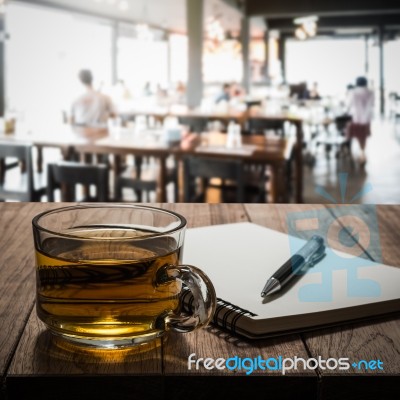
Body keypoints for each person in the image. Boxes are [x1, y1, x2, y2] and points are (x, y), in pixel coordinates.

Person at [347, 76, 375, 165]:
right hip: (366, 118)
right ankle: (363, 153)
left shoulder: (353, 92)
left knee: (358, 136)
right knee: (364, 137)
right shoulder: (370, 92)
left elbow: (349, 104)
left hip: (356, 118)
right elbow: (372, 105)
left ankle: (360, 153)